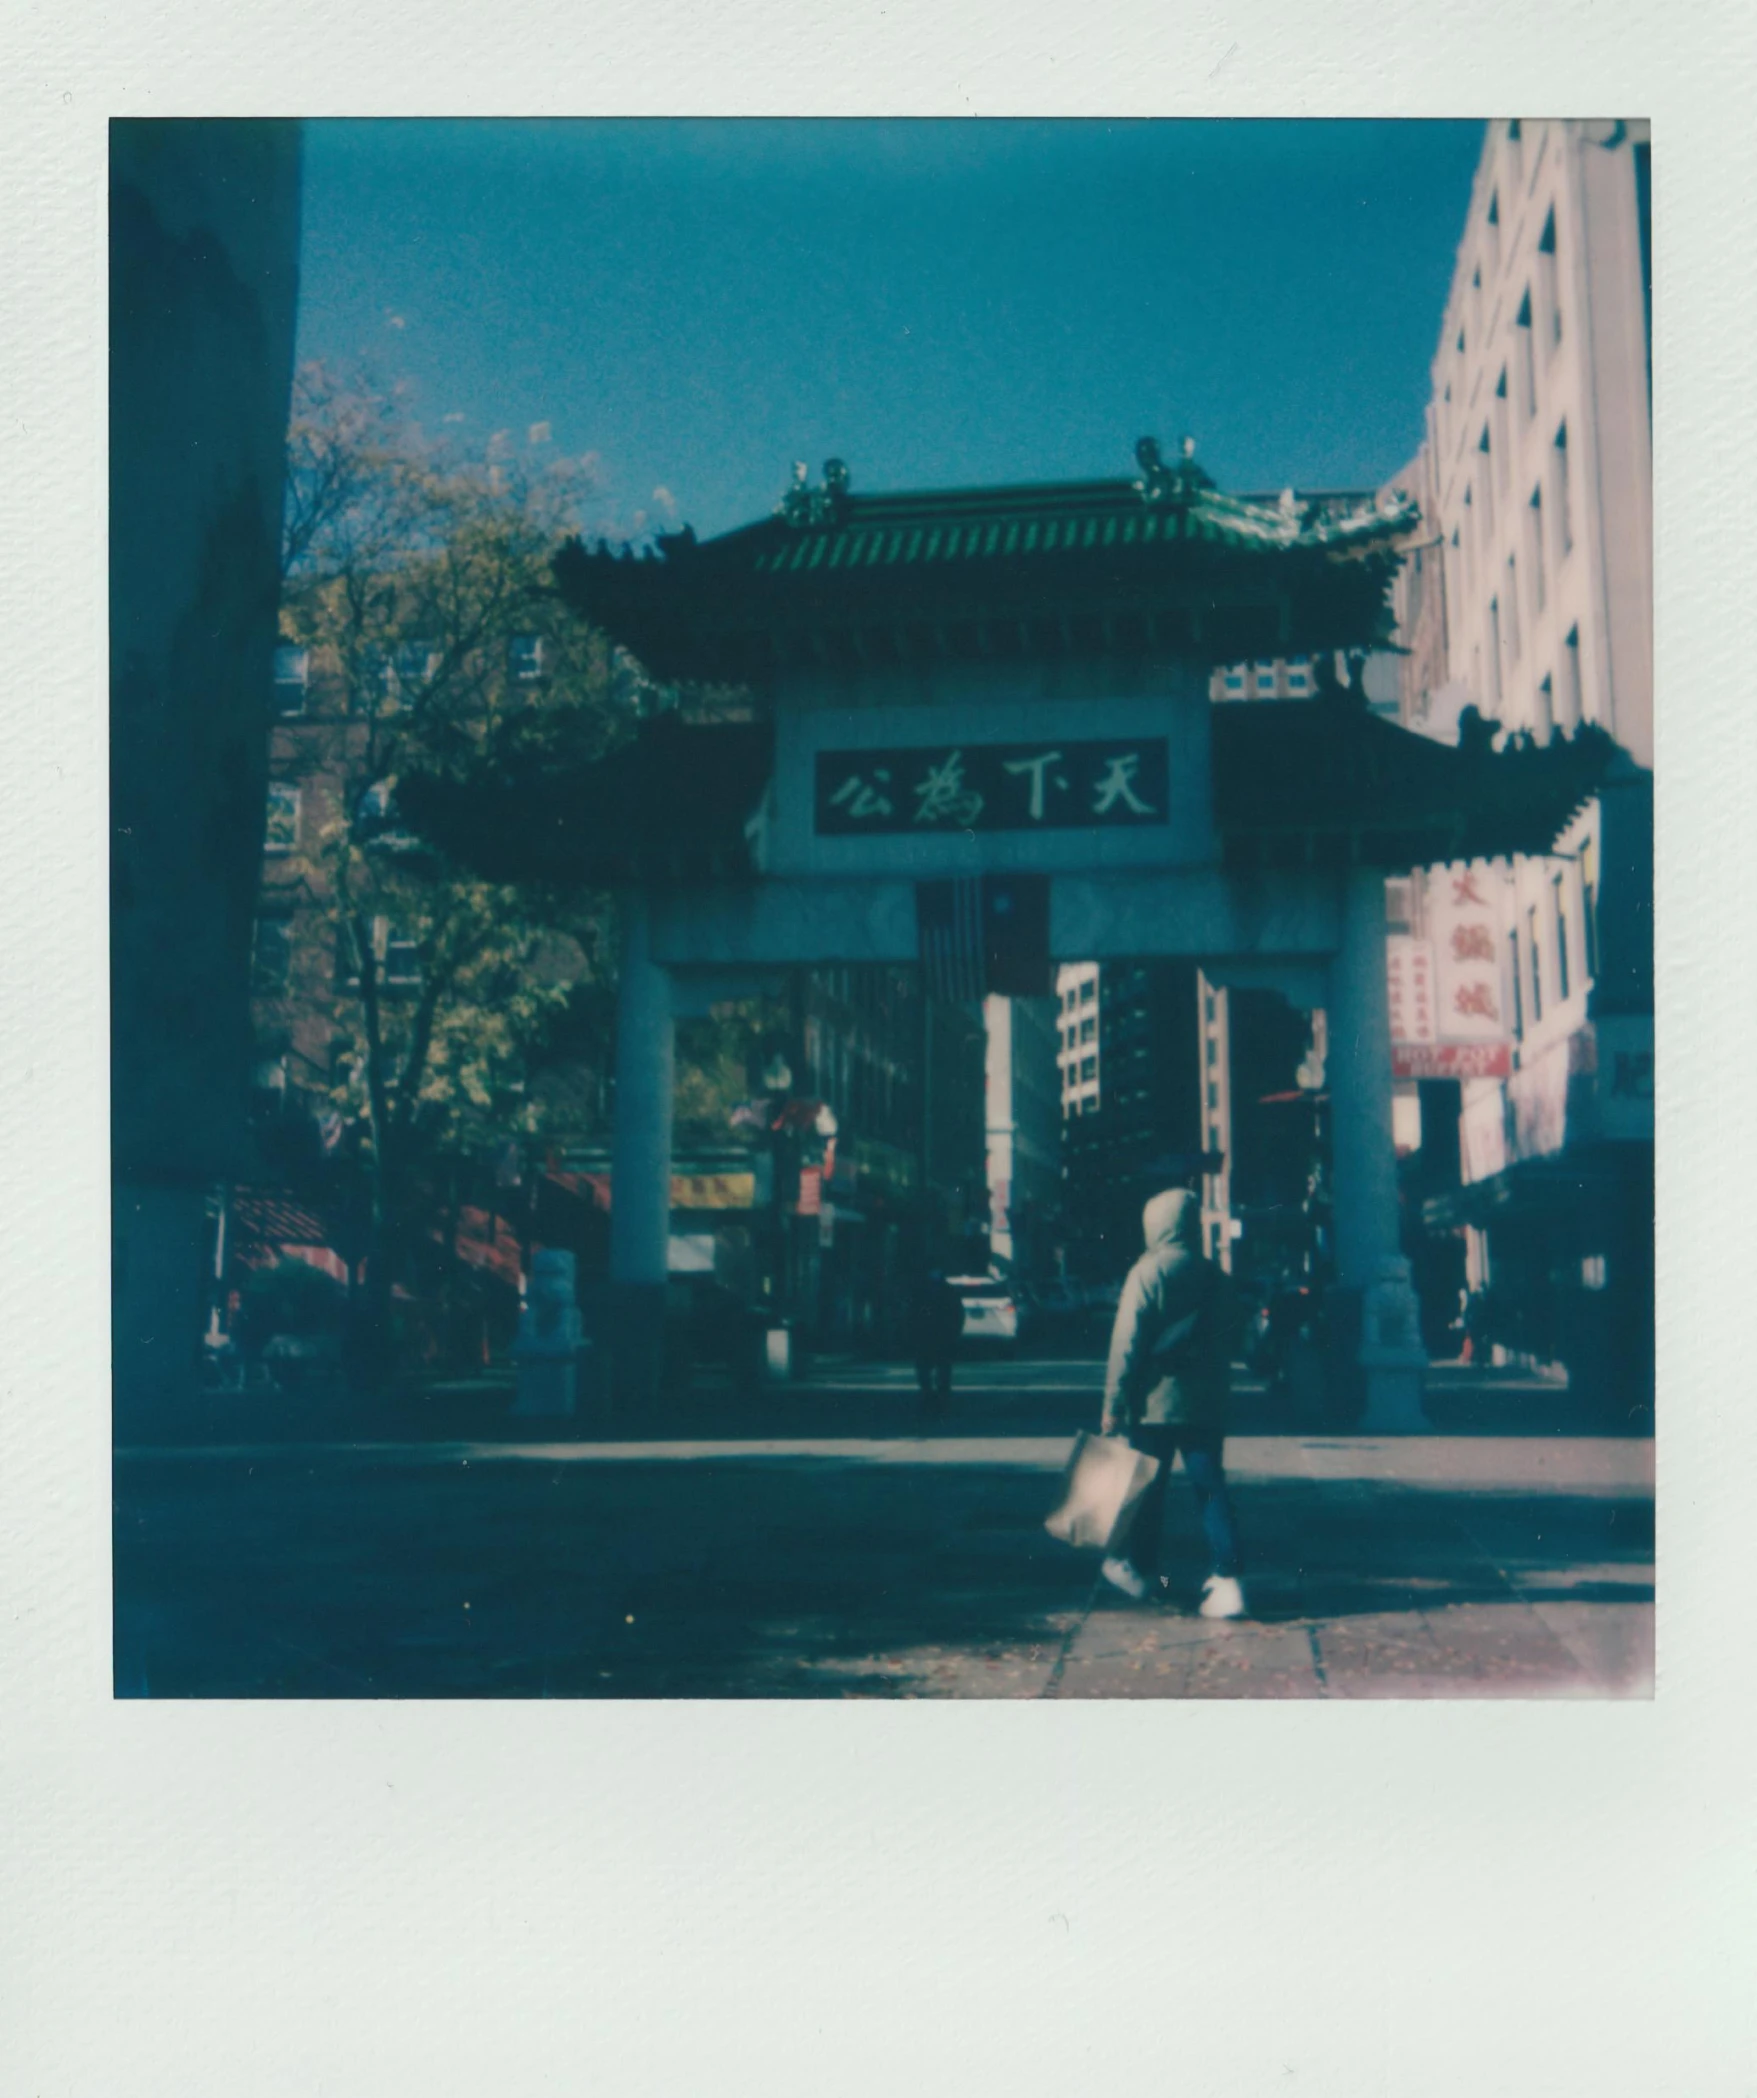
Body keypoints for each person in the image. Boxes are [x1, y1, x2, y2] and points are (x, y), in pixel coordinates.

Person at [1098, 1188, 1248, 1618]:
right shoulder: (1215, 1276)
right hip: (1205, 1405)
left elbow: (1126, 1344)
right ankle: (1230, 1580)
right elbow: (1234, 1336)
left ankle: (1147, 1574)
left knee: (1149, 1491)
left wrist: (1114, 1403)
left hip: (1153, 1405)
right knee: (1210, 1488)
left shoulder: (1146, 1273)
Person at [909, 1269, 963, 1414]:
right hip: (927, 1336)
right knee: (925, 1368)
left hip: (942, 1336)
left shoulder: (948, 1292)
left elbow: (957, 1314)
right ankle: (929, 1394)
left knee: (942, 1367)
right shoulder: (921, 1292)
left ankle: (941, 1395)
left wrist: (954, 1332)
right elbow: (912, 1313)